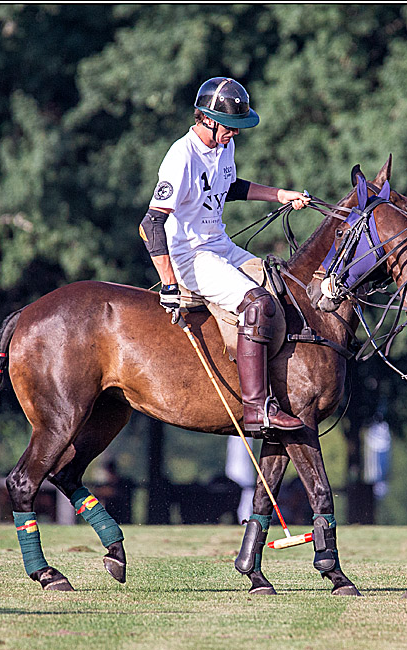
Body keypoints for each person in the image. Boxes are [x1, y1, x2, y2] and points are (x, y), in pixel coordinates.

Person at [139, 76, 309, 436]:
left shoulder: (223, 147)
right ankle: (257, 409)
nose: (235, 133)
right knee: (257, 303)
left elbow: (230, 187)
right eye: (229, 126)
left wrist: (280, 194)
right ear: (207, 119)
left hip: (220, 245)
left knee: (281, 287)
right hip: (190, 256)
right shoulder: (180, 157)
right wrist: (169, 283)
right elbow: (150, 224)